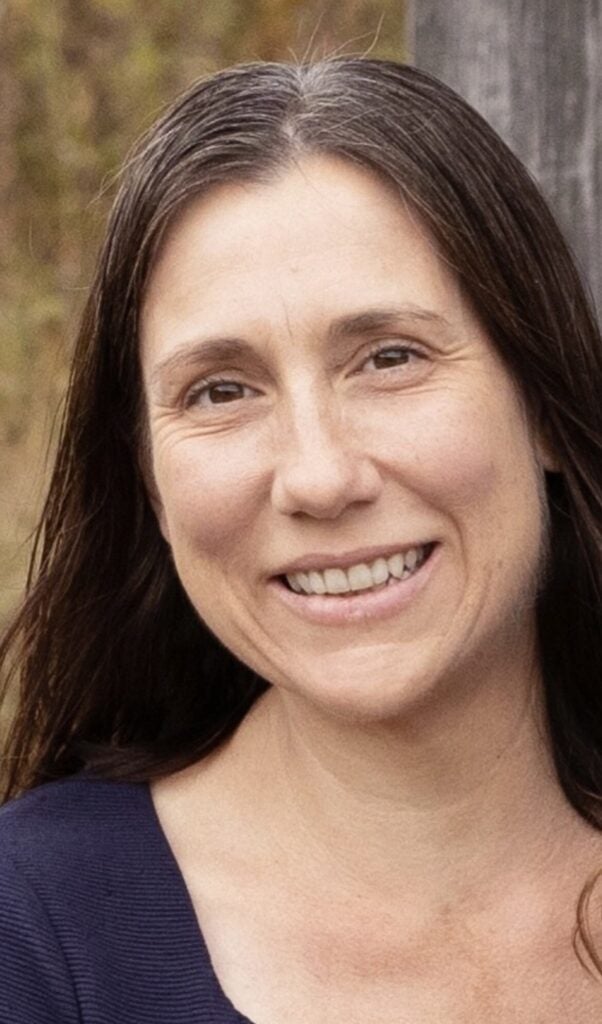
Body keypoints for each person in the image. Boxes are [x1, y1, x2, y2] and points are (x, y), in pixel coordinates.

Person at [1, 55, 601, 1023]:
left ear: (539, 398)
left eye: (389, 358)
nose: (319, 476)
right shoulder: (36, 933)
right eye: (221, 390)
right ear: (149, 479)